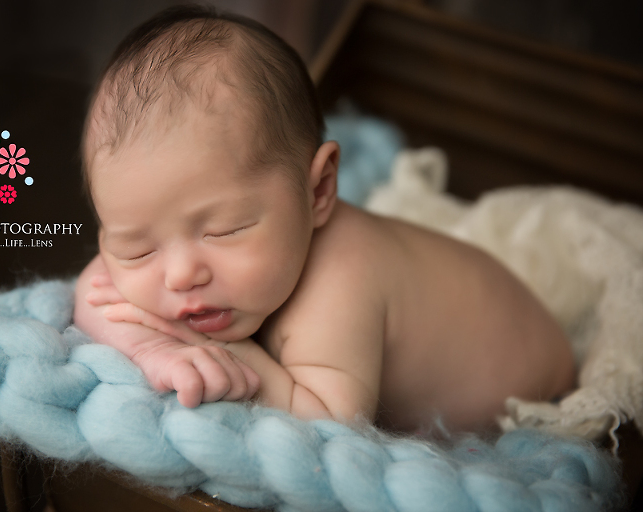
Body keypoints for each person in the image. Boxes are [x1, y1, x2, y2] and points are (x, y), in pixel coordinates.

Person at [73, 5, 575, 432]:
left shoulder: (338, 282)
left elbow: (331, 424)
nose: (180, 275)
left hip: (531, 384)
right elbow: (95, 292)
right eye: (137, 248)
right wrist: (153, 351)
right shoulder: (170, 258)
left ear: (318, 190)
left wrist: (238, 364)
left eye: (224, 230)